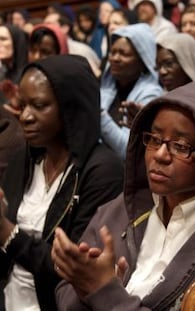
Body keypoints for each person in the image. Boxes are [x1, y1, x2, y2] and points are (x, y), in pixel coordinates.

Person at [52, 77, 195, 310]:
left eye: (180, 146)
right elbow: (65, 290)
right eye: (154, 139)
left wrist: (105, 293)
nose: (160, 155)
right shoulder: (123, 207)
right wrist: (85, 284)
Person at [0, 55, 124, 310]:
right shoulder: (25, 157)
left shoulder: (102, 171)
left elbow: (75, 270)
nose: (25, 117)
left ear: (70, 108)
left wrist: (6, 233)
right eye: (22, 105)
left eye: (38, 105)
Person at [100, 23, 163, 159]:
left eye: (123, 54)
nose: (115, 59)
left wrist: (99, 116)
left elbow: (127, 150)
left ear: (142, 61)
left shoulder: (151, 94)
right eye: (113, 52)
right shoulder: (107, 87)